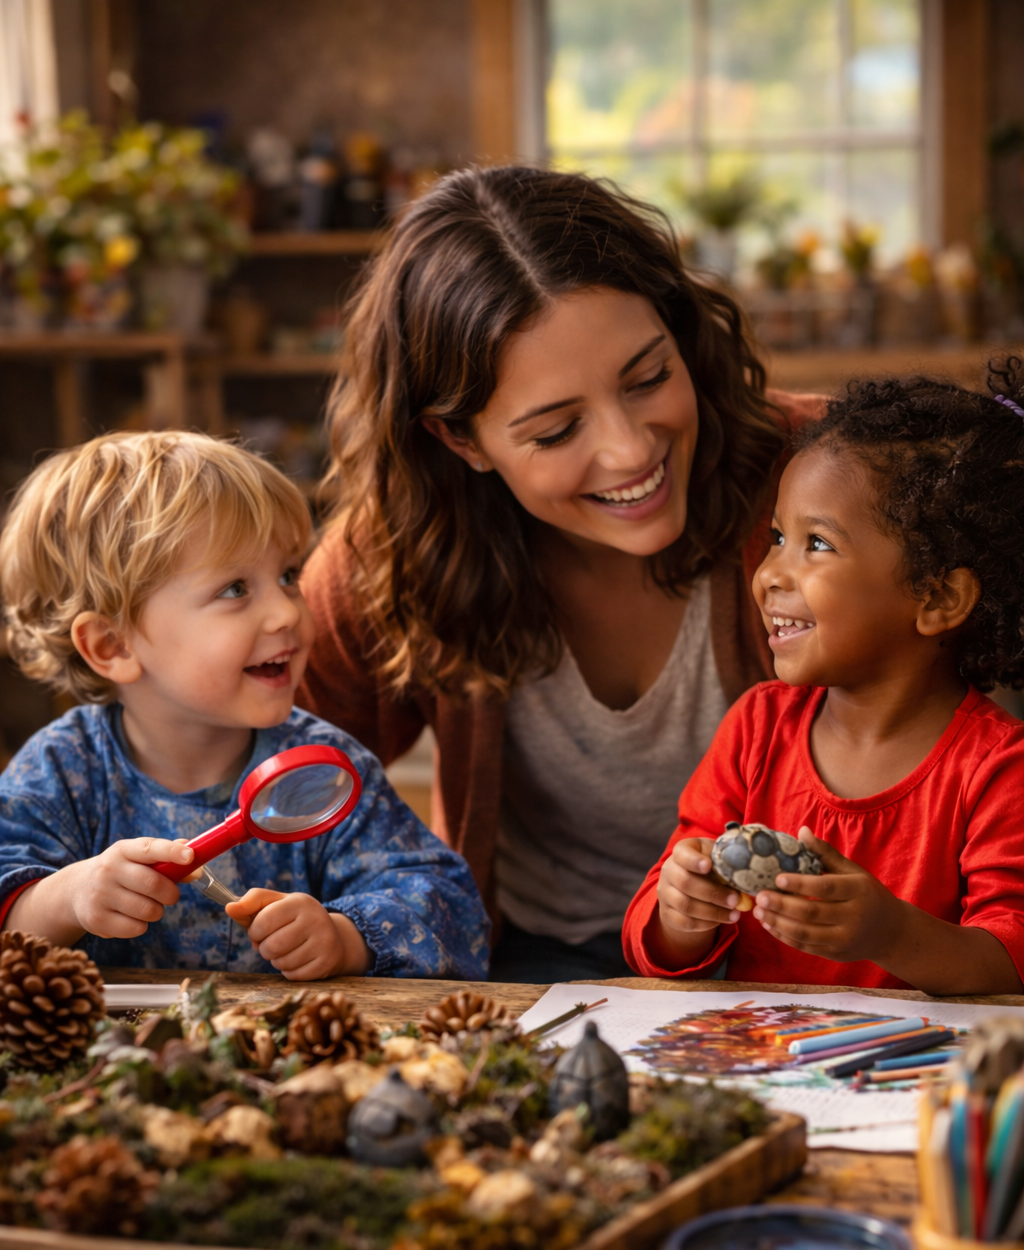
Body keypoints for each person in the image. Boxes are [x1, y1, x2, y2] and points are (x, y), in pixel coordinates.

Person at [298, 165, 823, 983]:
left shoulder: (827, 476)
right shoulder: (392, 555)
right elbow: (282, 771)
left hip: (805, 968)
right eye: (555, 431)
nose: (631, 449)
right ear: (460, 440)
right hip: (537, 968)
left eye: (649, 378)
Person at [0, 432, 489, 980]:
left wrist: (344, 938)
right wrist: (66, 898)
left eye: (288, 576)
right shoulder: (59, 771)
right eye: (235, 589)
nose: (287, 612)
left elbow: (448, 907)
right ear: (113, 646)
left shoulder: (324, 770)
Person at [623, 367, 1024, 995]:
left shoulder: (996, 769)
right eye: (778, 537)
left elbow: (1011, 960)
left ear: (938, 597)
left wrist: (890, 935)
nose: (769, 574)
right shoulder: (757, 729)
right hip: (760, 1047)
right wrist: (683, 912)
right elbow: (658, 946)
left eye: (817, 544)